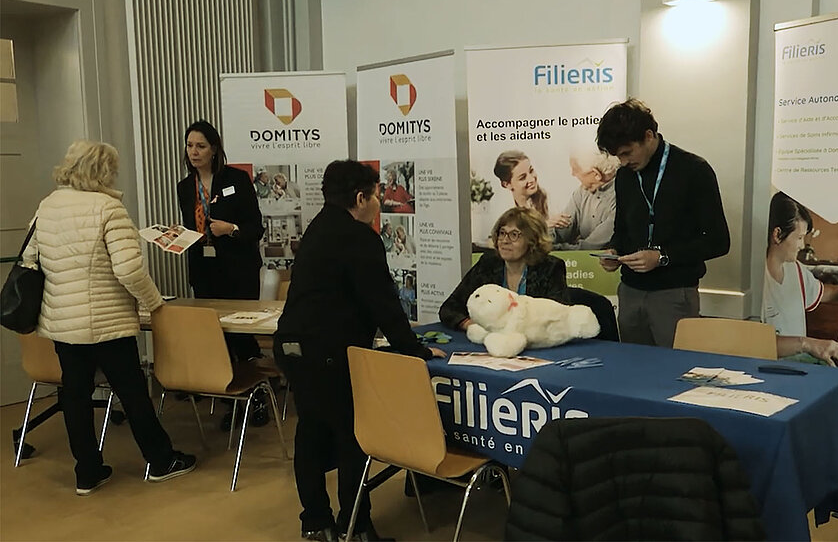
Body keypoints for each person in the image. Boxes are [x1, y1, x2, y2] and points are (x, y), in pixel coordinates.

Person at [273, 160, 446, 542]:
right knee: (352, 437)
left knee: (311, 432)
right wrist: (414, 350)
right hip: (329, 353)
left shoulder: (319, 227)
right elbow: (383, 303)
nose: (379, 203)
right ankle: (357, 527)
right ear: (360, 198)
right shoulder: (358, 237)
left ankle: (315, 522)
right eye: (376, 195)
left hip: (293, 346)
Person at [22, 140, 196, 495]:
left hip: (63, 322)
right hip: (107, 322)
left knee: (75, 395)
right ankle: (161, 460)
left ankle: (87, 472)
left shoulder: (48, 205)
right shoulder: (108, 208)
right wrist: (153, 302)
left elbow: (30, 257)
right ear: (104, 171)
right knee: (132, 392)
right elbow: (129, 270)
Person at [596, 99, 730, 348]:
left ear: (648, 136)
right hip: (630, 292)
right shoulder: (625, 176)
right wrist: (613, 251)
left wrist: (662, 257)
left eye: (627, 153)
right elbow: (622, 231)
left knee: (677, 368)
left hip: (674, 294)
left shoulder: (694, 170)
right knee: (633, 367)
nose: (623, 162)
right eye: (618, 156)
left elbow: (718, 242)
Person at [176, 120, 268, 428]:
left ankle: (257, 399)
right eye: (190, 146)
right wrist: (176, 238)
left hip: (238, 270)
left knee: (242, 337)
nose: (194, 152)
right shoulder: (185, 187)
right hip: (204, 270)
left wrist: (231, 229)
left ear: (214, 149)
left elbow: (256, 228)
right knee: (216, 338)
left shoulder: (236, 180)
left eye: (200, 146)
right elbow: (192, 227)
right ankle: (232, 399)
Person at [762, 192, 838, 368]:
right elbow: (753, 342)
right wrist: (809, 344)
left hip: (797, 368)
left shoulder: (796, 270)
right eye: (799, 238)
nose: (802, 245)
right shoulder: (755, 280)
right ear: (777, 234)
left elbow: (826, 293)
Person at [440, 207, 569, 331]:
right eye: (502, 233)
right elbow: (449, 307)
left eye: (514, 234)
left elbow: (557, 318)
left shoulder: (550, 268)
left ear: (532, 241)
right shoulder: (488, 264)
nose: (505, 240)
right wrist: (469, 325)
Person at [552, 148, 619, 250]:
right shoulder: (582, 192)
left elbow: (591, 247)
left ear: (596, 174)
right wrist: (543, 242)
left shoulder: (621, 197)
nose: (572, 173)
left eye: (575, 169)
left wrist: (550, 248)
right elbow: (561, 229)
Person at [493, 150, 556, 226]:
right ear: (507, 184)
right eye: (522, 178)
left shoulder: (548, 199)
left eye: (531, 171)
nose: (531, 179)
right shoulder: (508, 217)